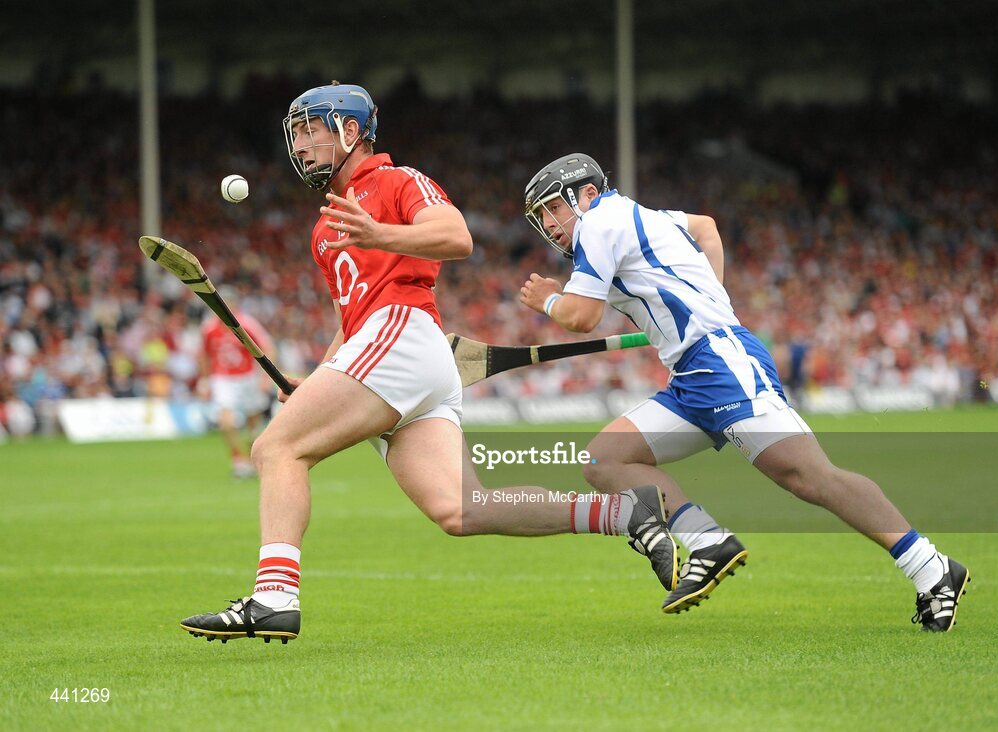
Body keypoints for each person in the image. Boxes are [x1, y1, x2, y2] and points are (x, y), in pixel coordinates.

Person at [180, 86, 677, 644]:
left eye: (310, 128)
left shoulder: (396, 181)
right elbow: (351, 319)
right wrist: (315, 376)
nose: (300, 143)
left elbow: (455, 235)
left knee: (275, 448)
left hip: (404, 336)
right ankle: (622, 514)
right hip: (390, 350)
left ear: (350, 130)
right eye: (295, 133)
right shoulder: (324, 228)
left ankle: (274, 599)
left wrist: (378, 232)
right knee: (462, 509)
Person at [518, 153, 970, 632]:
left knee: (811, 477)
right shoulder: (641, 214)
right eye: (541, 217)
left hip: (720, 362)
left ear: (587, 193)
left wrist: (547, 298)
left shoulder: (601, 223)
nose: (549, 223)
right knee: (603, 459)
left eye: (554, 208)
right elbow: (707, 227)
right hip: (690, 377)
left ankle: (934, 569)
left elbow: (582, 316)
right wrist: (711, 293)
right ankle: (708, 542)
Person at [197, 306, 274, 478]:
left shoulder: (247, 324)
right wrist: (205, 380)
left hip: (248, 377)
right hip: (222, 378)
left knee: (253, 421)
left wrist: (265, 377)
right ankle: (237, 459)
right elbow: (203, 354)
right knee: (226, 421)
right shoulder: (208, 328)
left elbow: (267, 346)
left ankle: (250, 457)